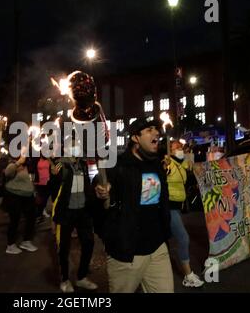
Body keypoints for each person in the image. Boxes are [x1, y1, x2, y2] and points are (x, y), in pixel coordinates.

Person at [95, 118, 174, 293]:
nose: (156, 133)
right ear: (135, 138)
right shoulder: (119, 164)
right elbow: (99, 182)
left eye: (156, 129)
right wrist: (101, 190)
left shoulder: (156, 163)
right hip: (128, 252)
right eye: (148, 130)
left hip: (157, 247)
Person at [51, 142, 98, 293]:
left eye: (77, 145)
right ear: (65, 149)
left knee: (89, 243)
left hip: (83, 212)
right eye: (72, 146)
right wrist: (54, 175)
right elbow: (53, 185)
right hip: (66, 212)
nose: (76, 148)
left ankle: (81, 277)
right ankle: (64, 280)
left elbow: (88, 185)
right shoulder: (60, 165)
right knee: (64, 248)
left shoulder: (83, 164)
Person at [165, 141, 204, 288]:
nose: (180, 149)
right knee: (183, 238)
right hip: (167, 207)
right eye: (176, 148)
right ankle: (188, 275)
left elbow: (193, 167)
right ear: (170, 150)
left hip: (176, 207)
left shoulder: (182, 163)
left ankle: (161, 267)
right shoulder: (168, 163)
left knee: (164, 240)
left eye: (180, 147)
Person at [1, 155, 38, 254]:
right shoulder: (12, 163)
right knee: (14, 220)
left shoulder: (28, 164)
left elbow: (32, 178)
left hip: (28, 196)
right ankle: (10, 245)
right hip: (14, 196)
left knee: (31, 218)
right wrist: (18, 163)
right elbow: (7, 173)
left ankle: (26, 241)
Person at [33, 154, 52, 220]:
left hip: (47, 182)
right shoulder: (37, 160)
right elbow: (34, 170)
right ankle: (39, 213)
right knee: (39, 198)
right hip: (39, 182)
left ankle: (41, 211)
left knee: (45, 198)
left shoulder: (49, 160)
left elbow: (52, 169)